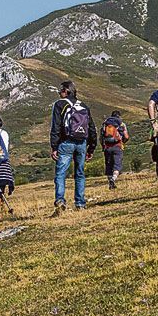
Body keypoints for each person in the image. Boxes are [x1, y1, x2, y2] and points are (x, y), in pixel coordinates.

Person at [49, 80, 97, 215]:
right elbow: (91, 127)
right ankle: (80, 203)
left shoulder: (60, 104)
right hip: (82, 143)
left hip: (66, 143)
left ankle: (60, 201)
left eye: (60, 91)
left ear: (66, 91)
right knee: (80, 173)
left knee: (60, 174)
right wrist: (91, 147)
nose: (59, 93)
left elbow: (56, 126)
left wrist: (54, 146)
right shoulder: (83, 105)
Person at [100, 110, 129, 188]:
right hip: (117, 146)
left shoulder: (105, 124)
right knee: (117, 165)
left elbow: (101, 137)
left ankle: (110, 183)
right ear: (119, 116)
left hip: (107, 147)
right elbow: (126, 136)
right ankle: (113, 179)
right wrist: (123, 142)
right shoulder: (121, 124)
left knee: (109, 165)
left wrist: (103, 146)